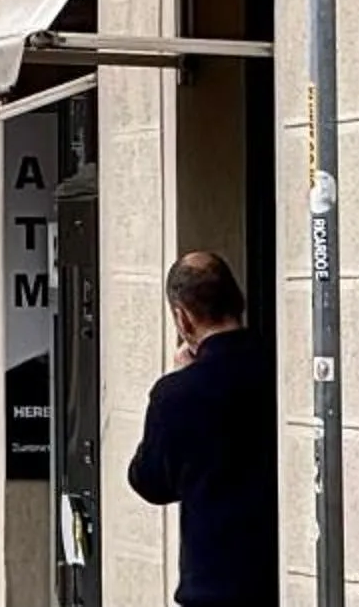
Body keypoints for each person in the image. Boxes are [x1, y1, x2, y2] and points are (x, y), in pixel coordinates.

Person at [129, 252, 276, 607]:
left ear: (183, 317)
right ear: (237, 301)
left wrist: (178, 380)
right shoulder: (280, 368)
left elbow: (150, 481)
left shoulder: (177, 393)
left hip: (213, 582)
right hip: (280, 576)